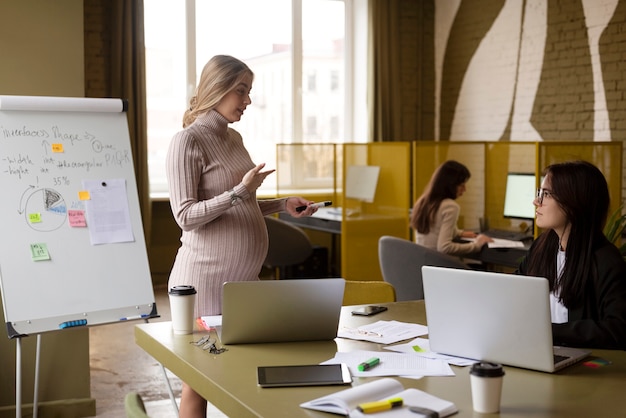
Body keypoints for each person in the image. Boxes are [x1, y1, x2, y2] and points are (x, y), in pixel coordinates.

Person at [166, 55, 318, 417]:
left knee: (242, 368)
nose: (247, 101)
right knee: (199, 380)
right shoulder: (186, 142)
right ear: (217, 89)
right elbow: (186, 216)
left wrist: (282, 204)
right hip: (203, 281)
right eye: (241, 91)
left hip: (241, 281)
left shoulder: (233, 137)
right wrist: (239, 190)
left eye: (249, 92)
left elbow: (240, 203)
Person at [516, 160, 626, 350]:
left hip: (584, 366)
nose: (536, 201)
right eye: (538, 193)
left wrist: (550, 332)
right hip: (535, 351)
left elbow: (618, 328)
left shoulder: (605, 260)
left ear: (573, 202)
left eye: (546, 194)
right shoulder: (541, 248)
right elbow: (514, 293)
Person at [410, 160, 492, 256]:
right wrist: (477, 244)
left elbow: (433, 230)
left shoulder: (423, 201)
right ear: (450, 185)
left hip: (422, 262)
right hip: (438, 264)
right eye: (462, 185)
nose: (465, 189)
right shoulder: (450, 206)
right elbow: (444, 248)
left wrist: (458, 233)